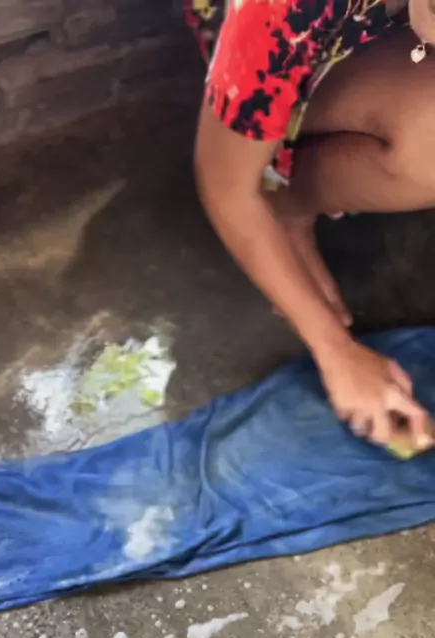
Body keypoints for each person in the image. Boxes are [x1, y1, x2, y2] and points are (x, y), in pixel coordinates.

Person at [186, 0, 435, 450]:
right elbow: (225, 187)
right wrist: (337, 351)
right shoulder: (282, 10)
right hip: (273, 45)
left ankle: (294, 200)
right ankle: (285, 201)